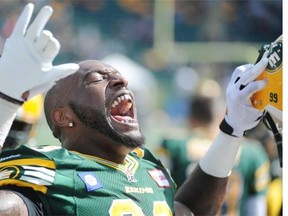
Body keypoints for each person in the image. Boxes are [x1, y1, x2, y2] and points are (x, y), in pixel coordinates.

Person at [0, 3, 270, 215]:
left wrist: (232, 128)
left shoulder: (146, 168)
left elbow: (188, 211)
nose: (121, 80)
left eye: (116, 75)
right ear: (64, 116)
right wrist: (5, 98)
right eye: (96, 79)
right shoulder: (52, 173)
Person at [158, 95, 270, 216]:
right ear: (220, 116)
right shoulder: (252, 152)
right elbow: (256, 209)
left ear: (191, 118)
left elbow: (159, 198)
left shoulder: (173, 145)